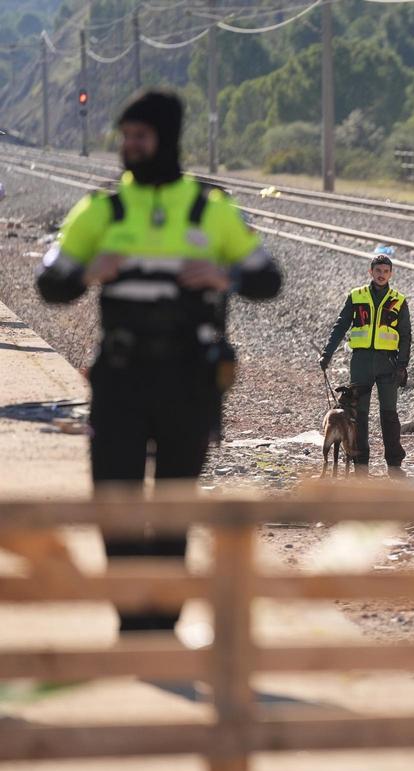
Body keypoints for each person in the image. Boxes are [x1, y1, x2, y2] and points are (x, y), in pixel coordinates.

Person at [36, 89, 282, 634]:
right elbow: (50, 281)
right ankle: (129, 614)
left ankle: (164, 617)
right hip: (121, 377)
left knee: (174, 501)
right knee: (115, 498)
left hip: (188, 379)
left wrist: (228, 276)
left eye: (140, 137)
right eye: (125, 137)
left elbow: (268, 278)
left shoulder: (208, 210)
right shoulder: (104, 208)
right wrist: (85, 273)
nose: (130, 147)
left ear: (165, 139)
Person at [319, 254, 410, 476]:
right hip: (361, 362)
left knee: (389, 413)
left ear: (391, 274)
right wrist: (327, 354)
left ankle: (394, 465)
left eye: (386, 272)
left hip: (388, 363)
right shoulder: (356, 296)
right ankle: (360, 464)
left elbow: (406, 335)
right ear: (371, 272)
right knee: (357, 415)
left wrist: (402, 364)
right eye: (378, 271)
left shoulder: (398, 300)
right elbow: (340, 326)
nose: (381, 275)